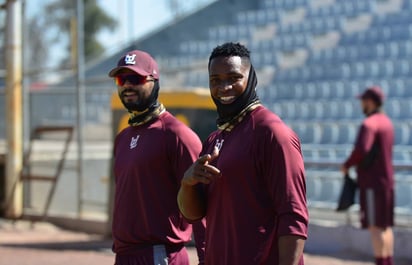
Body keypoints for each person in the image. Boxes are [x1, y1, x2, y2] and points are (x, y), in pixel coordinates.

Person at [177, 42, 308, 265]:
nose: (224, 87)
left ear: (252, 79)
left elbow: (293, 216)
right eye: (215, 80)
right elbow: (193, 214)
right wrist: (187, 183)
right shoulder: (213, 139)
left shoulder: (272, 133)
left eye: (233, 77)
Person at [108, 49, 206, 265]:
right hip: (124, 255)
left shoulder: (177, 135)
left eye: (135, 78)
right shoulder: (123, 137)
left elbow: (203, 206)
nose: (127, 85)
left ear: (154, 80)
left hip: (159, 254)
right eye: (121, 79)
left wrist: (207, 257)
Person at [341, 86, 395, 265]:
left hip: (372, 183)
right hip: (387, 182)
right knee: (386, 226)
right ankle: (388, 261)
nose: (362, 104)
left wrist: (347, 165)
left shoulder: (369, 124)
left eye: (363, 100)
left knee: (375, 227)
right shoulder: (387, 122)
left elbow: (361, 150)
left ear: (370, 101)